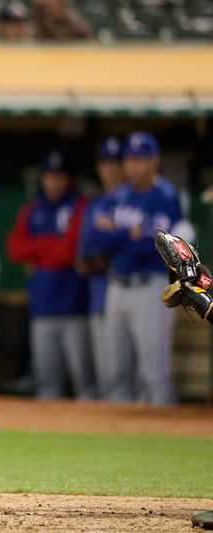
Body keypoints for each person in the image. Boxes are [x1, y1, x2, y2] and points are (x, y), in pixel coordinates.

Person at [92, 132, 183, 405]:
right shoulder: (119, 195)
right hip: (117, 286)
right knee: (115, 372)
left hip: (151, 286)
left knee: (153, 373)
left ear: (154, 161)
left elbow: (154, 245)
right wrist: (127, 235)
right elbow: (94, 240)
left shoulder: (166, 196)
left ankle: (170, 438)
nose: (134, 165)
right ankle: (118, 441)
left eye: (141, 159)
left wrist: (118, 235)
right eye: (130, 159)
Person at [7, 150, 94, 400]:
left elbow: (70, 250)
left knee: (84, 383)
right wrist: (49, 245)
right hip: (42, 308)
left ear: (69, 179)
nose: (54, 181)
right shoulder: (33, 209)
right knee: (47, 384)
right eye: (49, 176)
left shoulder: (80, 206)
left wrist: (39, 251)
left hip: (75, 306)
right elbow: (15, 249)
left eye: (60, 176)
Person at [76, 138, 124, 401]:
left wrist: (113, 245)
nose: (110, 169)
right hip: (98, 294)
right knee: (107, 373)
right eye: (105, 162)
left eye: (115, 162)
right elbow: (83, 258)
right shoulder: (96, 205)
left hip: (128, 288)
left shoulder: (131, 202)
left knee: (135, 373)